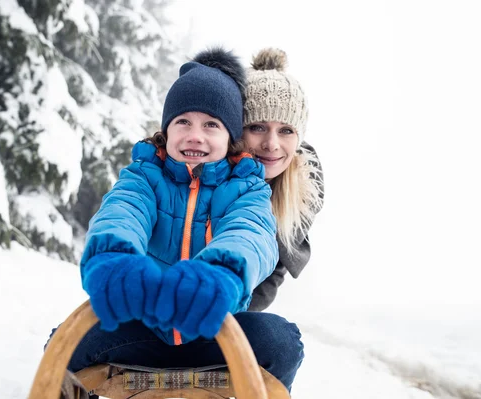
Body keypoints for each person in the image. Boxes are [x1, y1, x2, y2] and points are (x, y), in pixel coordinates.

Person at [50, 47, 304, 393]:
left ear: (231, 138)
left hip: (213, 330)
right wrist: (116, 255)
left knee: (282, 341)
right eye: (183, 121)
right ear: (166, 130)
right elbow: (123, 212)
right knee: (63, 342)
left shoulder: (246, 188)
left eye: (211, 125)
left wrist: (220, 273)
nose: (195, 135)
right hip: (142, 329)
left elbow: (250, 234)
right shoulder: (144, 177)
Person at [244, 48, 325, 312]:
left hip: (230, 314)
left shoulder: (296, 194)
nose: (271, 144)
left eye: (286, 130)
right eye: (257, 127)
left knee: (281, 340)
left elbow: (270, 278)